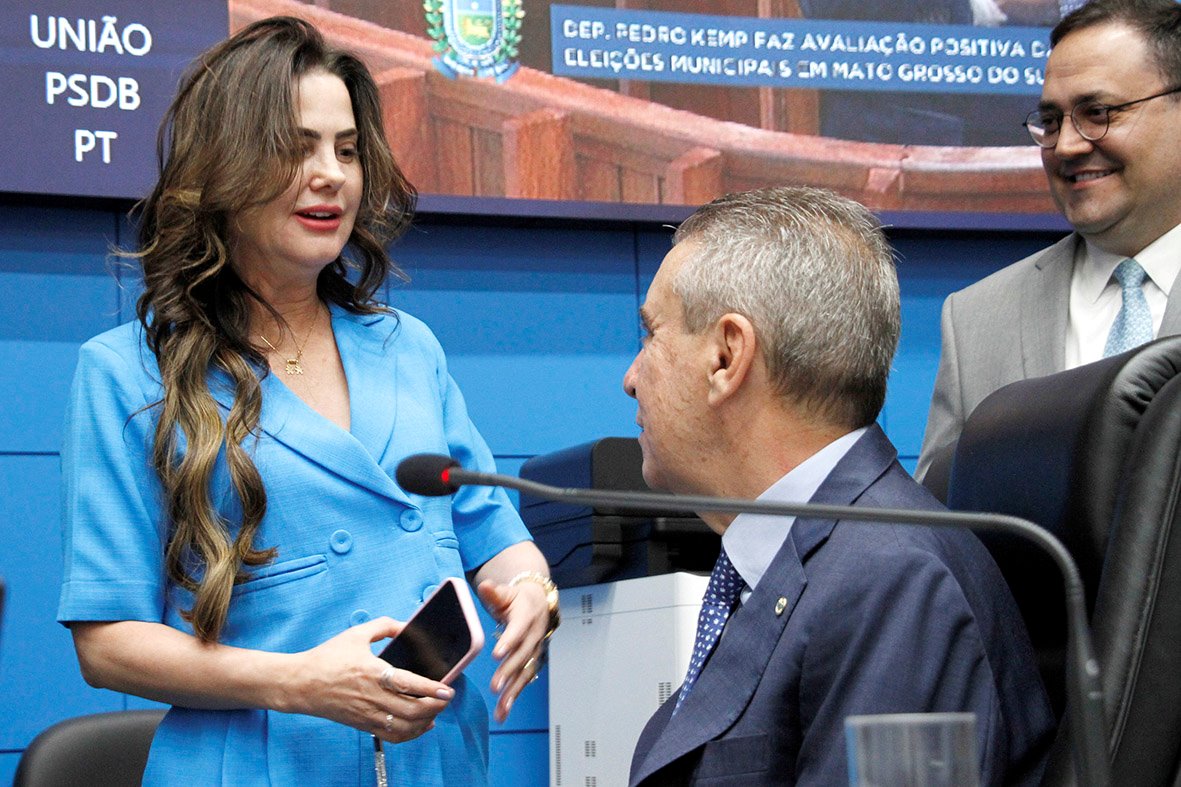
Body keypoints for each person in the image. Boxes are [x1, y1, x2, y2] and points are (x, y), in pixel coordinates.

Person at [56, 16, 557, 786]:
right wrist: (298, 682)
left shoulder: (407, 346)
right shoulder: (126, 373)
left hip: (434, 762)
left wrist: (527, 588)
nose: (331, 175)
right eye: (296, 148)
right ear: (222, 167)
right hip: (257, 765)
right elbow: (107, 643)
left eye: (346, 150)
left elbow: (491, 532)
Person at [623, 187, 1055, 786]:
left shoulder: (895, 584)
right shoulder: (818, 562)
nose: (631, 378)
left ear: (726, 357)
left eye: (651, 335)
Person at [917, 0, 1181, 480]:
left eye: (1097, 113)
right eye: (1052, 121)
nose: (1067, 146)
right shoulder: (977, 319)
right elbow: (942, 515)